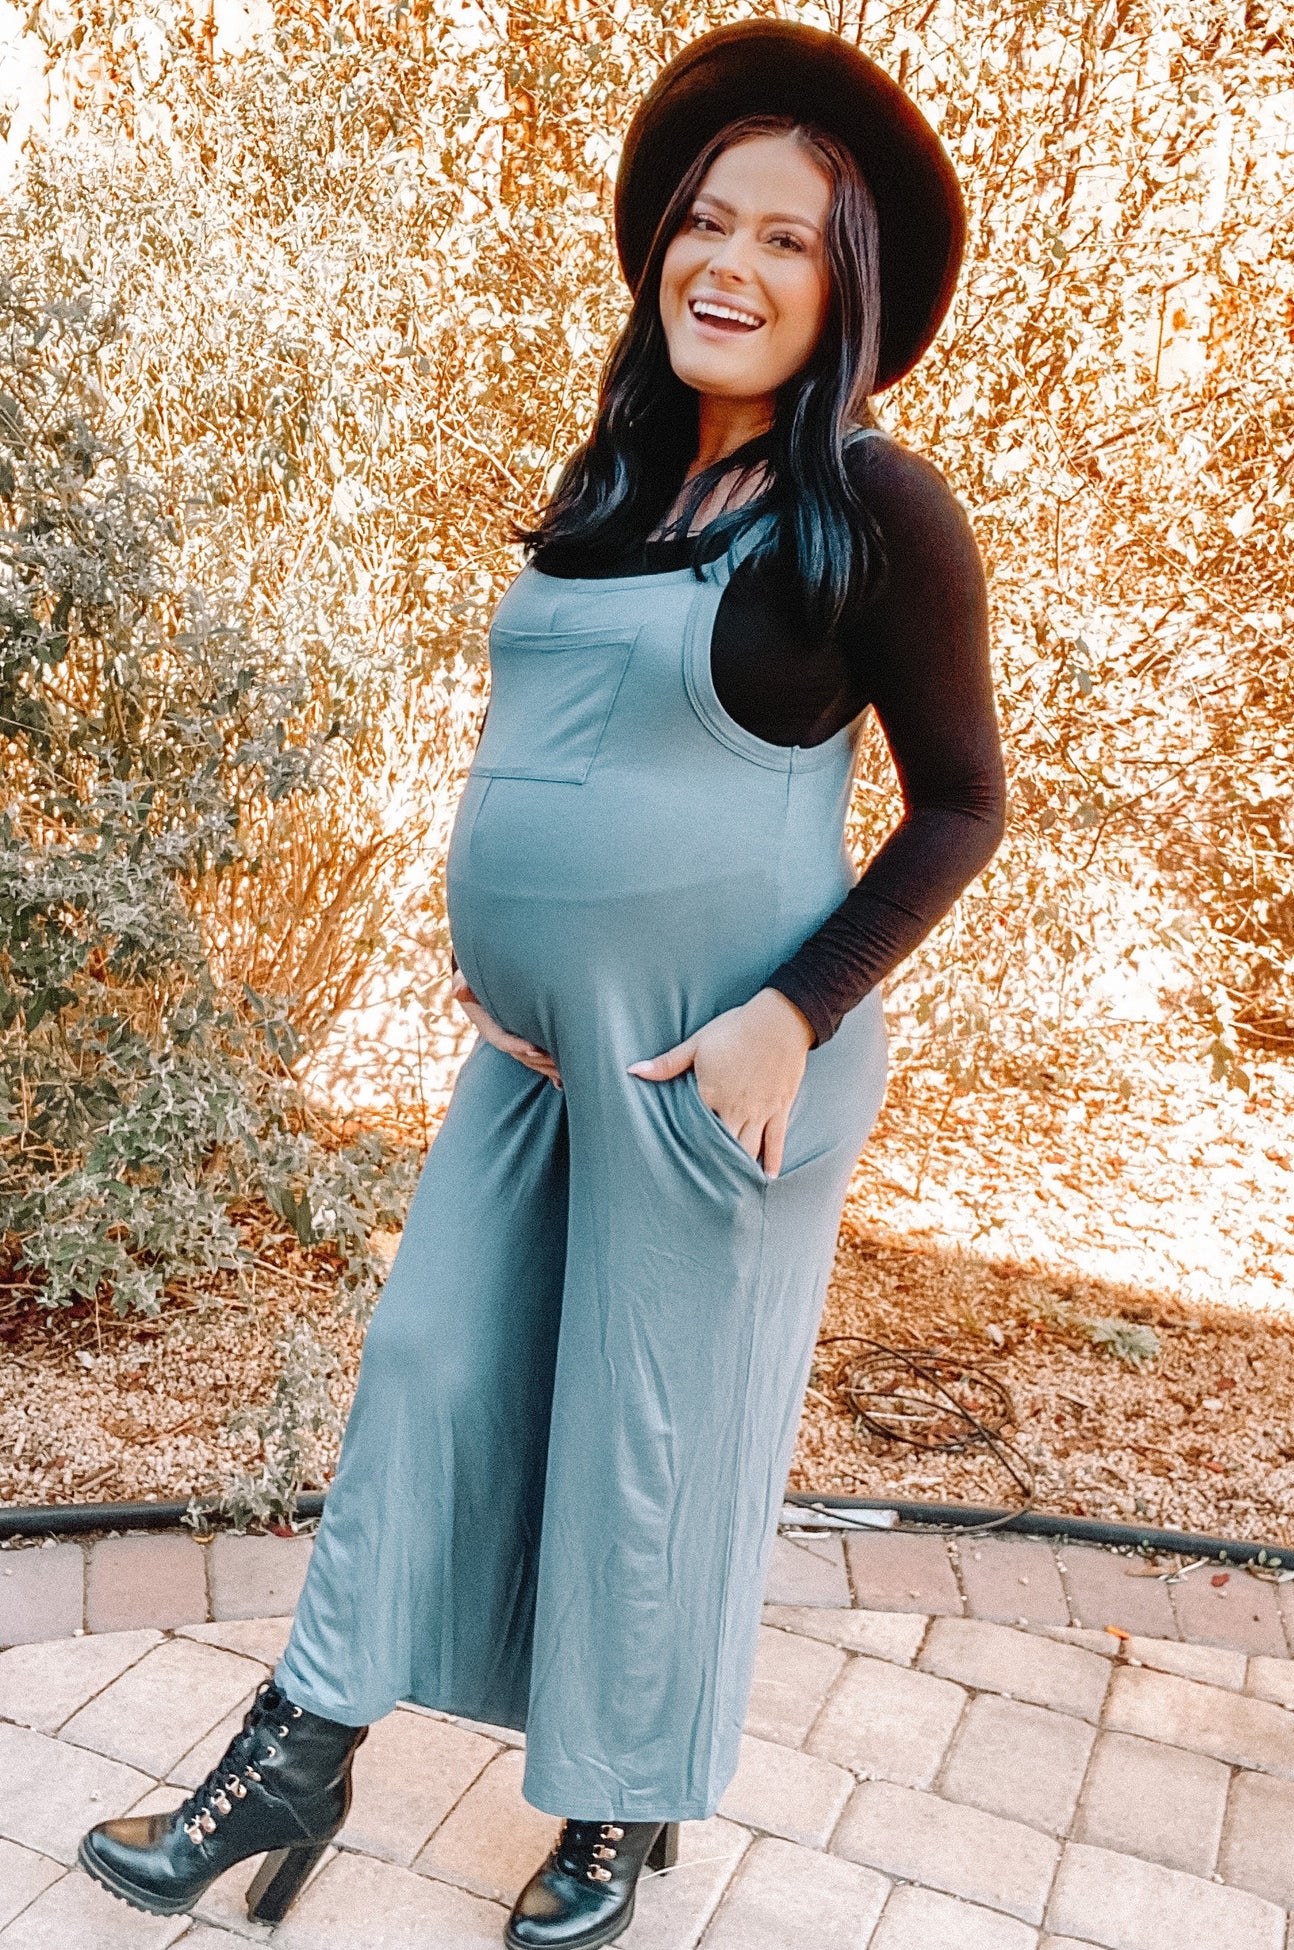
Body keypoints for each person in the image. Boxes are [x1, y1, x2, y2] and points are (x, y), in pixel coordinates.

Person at [78, 20, 1005, 1949]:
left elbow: (962, 807)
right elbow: (552, 756)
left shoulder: (877, 513)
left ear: (843, 289)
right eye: (705, 221)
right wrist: (495, 937)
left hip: (719, 1063)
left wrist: (791, 1012)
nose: (727, 263)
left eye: (785, 239)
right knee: (430, 1364)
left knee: (645, 1435)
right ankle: (299, 1751)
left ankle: (614, 1804)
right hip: (536, 1049)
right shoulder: (619, 479)